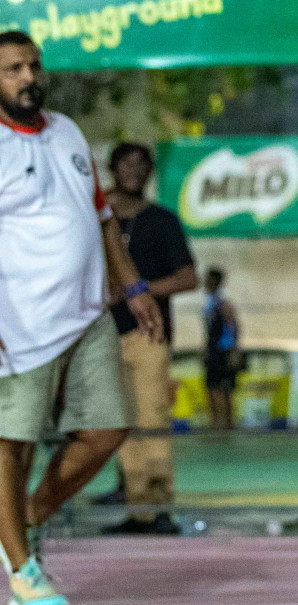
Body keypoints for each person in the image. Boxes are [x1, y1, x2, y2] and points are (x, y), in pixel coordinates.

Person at [0, 30, 161, 605]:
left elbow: (101, 219)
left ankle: (28, 517)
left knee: (109, 429)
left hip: (87, 314)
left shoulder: (66, 131)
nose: (27, 77)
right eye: (13, 68)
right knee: (10, 447)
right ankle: (23, 573)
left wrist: (133, 286)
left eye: (33, 65)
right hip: (19, 324)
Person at [103, 142, 197, 535]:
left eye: (143, 165)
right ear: (112, 169)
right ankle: (137, 508)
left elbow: (188, 276)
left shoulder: (162, 221)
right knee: (118, 423)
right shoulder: (95, 217)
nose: (136, 171)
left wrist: (138, 290)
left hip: (148, 334)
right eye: (127, 164)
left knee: (152, 419)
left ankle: (158, 510)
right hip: (99, 334)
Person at [201, 268, 241, 431]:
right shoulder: (208, 302)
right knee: (212, 388)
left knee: (223, 390)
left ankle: (226, 425)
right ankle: (216, 423)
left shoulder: (223, 304)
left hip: (223, 352)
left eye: (209, 280)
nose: (206, 283)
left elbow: (233, 327)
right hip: (213, 351)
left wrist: (233, 351)